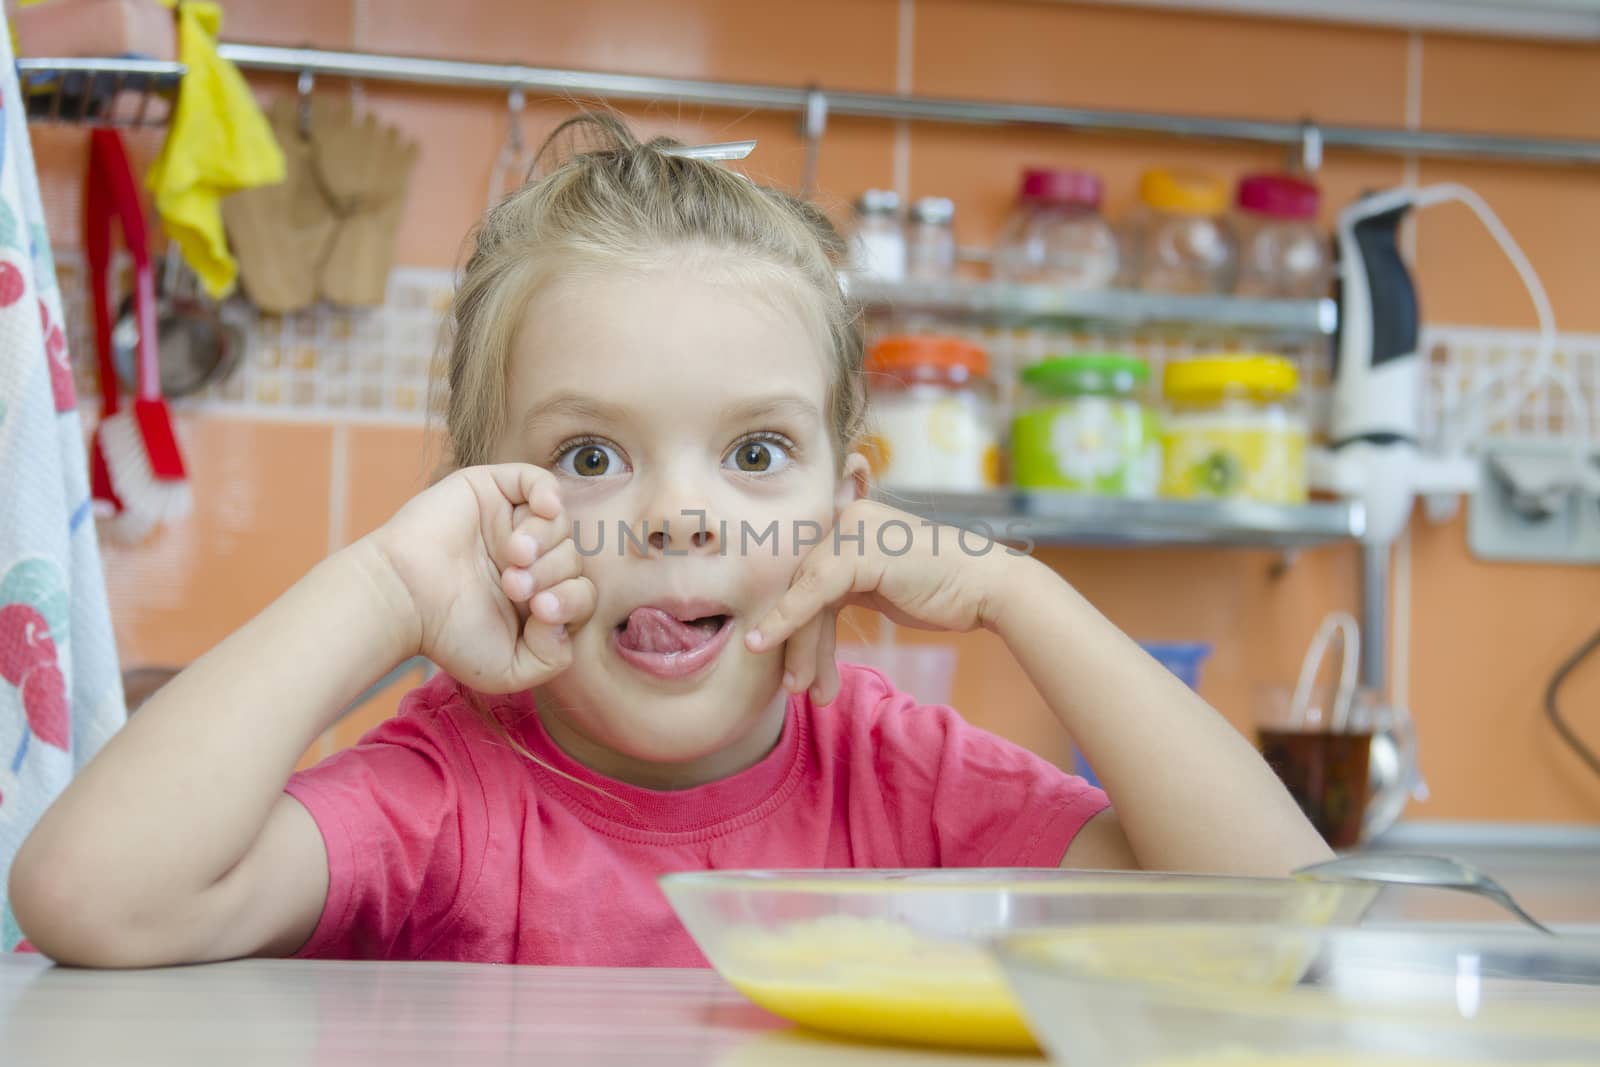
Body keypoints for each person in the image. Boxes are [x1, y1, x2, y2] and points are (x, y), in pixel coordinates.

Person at [9, 114, 1329, 969]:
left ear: (846, 503)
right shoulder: (447, 790)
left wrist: (1018, 595)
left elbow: (1283, 918)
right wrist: (389, 587)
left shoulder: (898, 778)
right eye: (591, 458)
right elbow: (88, 900)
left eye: (756, 455)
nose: (678, 515)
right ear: (493, 506)